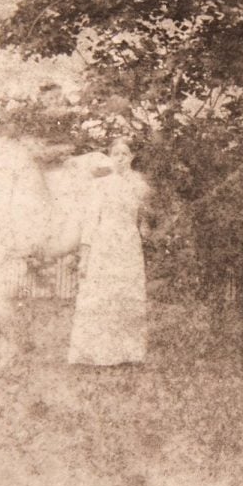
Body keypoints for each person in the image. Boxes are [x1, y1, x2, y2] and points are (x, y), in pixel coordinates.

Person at [68, 138, 151, 366]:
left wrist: (144, 228)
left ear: (132, 157)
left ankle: (128, 353)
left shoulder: (139, 186)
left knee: (126, 295)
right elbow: (91, 221)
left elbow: (143, 220)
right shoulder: (101, 185)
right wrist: (85, 255)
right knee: (102, 296)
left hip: (129, 245)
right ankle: (98, 354)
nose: (121, 158)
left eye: (125, 154)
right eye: (116, 154)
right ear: (110, 158)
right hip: (104, 244)